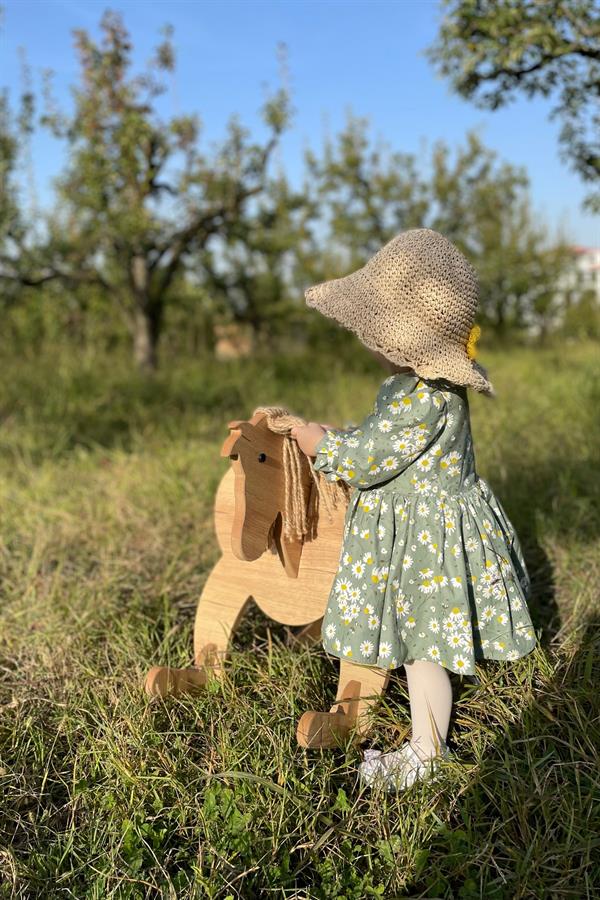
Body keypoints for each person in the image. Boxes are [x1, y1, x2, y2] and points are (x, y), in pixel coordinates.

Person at [291, 228, 537, 791]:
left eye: (376, 330)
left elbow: (373, 457)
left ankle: (428, 752)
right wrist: (346, 433)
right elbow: (386, 442)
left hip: (426, 546)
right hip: (428, 530)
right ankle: (425, 738)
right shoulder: (422, 388)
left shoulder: (422, 395)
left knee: (424, 648)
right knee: (422, 642)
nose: (368, 340)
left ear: (402, 341)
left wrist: (321, 444)